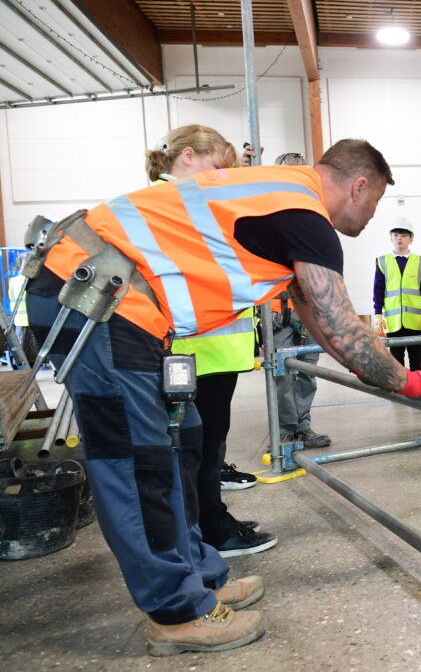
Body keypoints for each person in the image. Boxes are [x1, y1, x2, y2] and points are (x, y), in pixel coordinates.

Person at [26, 138, 421, 655]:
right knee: (141, 465)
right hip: (99, 296)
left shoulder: (281, 196)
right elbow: (338, 324)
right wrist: (405, 380)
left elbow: (315, 314)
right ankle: (176, 613)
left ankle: (200, 573)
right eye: (376, 201)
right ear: (359, 185)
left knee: (183, 443)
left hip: (118, 298)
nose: (371, 214)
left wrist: (374, 367)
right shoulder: (304, 212)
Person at [145, 126, 274, 555]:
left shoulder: (186, 200)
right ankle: (210, 532)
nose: (221, 177)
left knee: (207, 442)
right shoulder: (174, 202)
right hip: (196, 347)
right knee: (198, 445)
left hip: (210, 346)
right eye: (217, 167)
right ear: (187, 156)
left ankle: (207, 521)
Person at [269, 152, 331, 452]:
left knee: (308, 373)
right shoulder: (265, 214)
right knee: (282, 374)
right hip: (278, 310)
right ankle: (285, 431)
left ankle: (303, 427)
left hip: (309, 309)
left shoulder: (316, 214)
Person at [373, 215, 421, 371]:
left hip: (414, 321)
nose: (399, 238)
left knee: (416, 361)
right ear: (391, 238)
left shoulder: (420, 261)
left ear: (411, 239)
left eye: (404, 235)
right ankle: (401, 394)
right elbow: (378, 290)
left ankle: (417, 393)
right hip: (393, 322)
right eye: (396, 235)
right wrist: (377, 314)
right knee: (396, 363)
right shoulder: (383, 262)